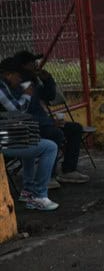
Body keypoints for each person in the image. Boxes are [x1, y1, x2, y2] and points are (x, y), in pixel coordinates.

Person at [14, 50, 89, 186]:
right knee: (54, 133)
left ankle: (68, 170)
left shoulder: (33, 83)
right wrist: (49, 122)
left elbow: (49, 96)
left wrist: (47, 80)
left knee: (75, 129)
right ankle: (47, 175)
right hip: (28, 127)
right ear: (23, 66)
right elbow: (23, 114)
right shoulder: (17, 86)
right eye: (33, 63)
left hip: (43, 122)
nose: (36, 66)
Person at [0, 57, 59, 211]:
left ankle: (28, 191)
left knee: (31, 139)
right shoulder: (1, 88)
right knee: (50, 147)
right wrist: (27, 94)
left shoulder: (6, 87)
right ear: (8, 74)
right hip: (3, 140)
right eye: (18, 77)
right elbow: (18, 111)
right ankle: (39, 196)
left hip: (6, 135)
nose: (20, 80)